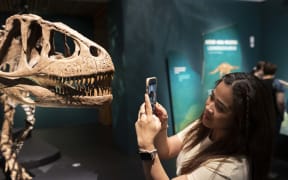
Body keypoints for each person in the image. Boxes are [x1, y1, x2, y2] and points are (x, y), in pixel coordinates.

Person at [135, 72, 274, 180]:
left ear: (239, 121)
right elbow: (167, 150)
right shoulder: (207, 125)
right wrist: (163, 125)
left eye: (220, 107)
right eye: (212, 97)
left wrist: (146, 146)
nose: (209, 107)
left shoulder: (229, 168)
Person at [262, 62, 285, 143]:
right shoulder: (277, 84)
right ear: (275, 71)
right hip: (274, 115)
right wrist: (281, 114)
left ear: (263, 70)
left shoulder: (256, 83)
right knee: (273, 139)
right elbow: (280, 102)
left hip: (259, 115)